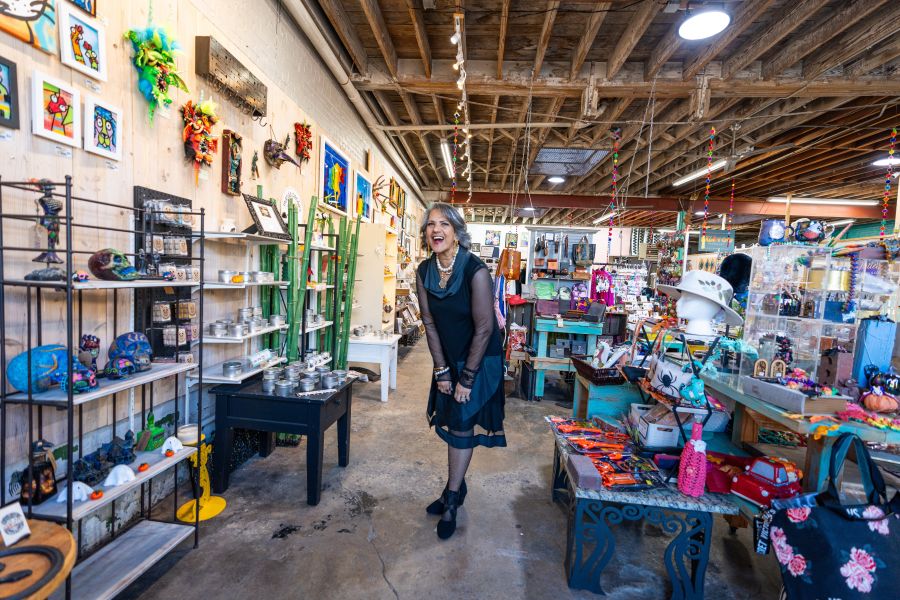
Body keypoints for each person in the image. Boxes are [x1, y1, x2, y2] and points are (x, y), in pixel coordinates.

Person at [416, 202, 506, 540]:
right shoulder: (424, 271)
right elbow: (429, 322)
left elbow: (484, 328)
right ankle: (456, 488)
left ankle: (451, 498)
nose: (436, 230)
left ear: (456, 232)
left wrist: (466, 378)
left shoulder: (475, 270)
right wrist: (441, 371)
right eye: (430, 225)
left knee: (462, 425)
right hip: (449, 359)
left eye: (444, 224)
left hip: (479, 360)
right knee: (454, 422)